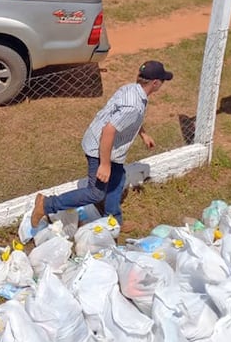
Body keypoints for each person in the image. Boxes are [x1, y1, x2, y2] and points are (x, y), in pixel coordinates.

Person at [31, 60, 173, 229]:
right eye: (162, 81)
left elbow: (126, 121)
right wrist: (104, 164)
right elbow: (109, 130)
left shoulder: (131, 89)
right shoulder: (133, 105)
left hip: (108, 146)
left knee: (117, 179)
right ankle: (47, 205)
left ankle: (113, 221)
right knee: (96, 192)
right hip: (100, 147)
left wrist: (143, 134)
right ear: (155, 83)